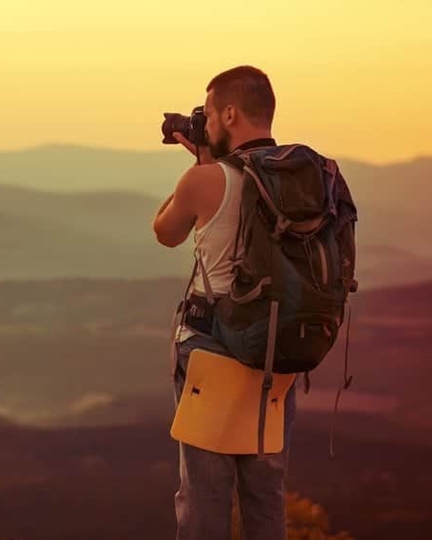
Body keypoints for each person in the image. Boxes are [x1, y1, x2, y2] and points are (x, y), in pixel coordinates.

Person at [152, 65, 297, 540]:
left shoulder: (207, 180)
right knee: (265, 493)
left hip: (213, 352)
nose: (206, 124)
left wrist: (200, 163)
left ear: (229, 113)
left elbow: (165, 232)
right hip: (280, 354)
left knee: (205, 498)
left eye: (210, 114)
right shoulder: (304, 179)